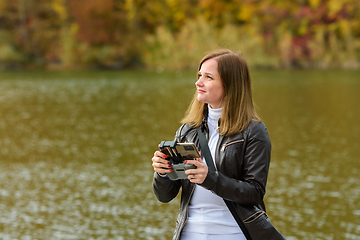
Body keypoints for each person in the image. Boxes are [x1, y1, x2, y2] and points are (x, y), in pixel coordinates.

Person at [152, 49, 285, 240]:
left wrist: (210, 178)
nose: (198, 82)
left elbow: (254, 192)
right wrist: (163, 172)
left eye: (208, 77)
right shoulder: (187, 131)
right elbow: (164, 196)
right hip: (190, 235)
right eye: (199, 75)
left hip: (233, 234)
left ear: (230, 85)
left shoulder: (253, 131)